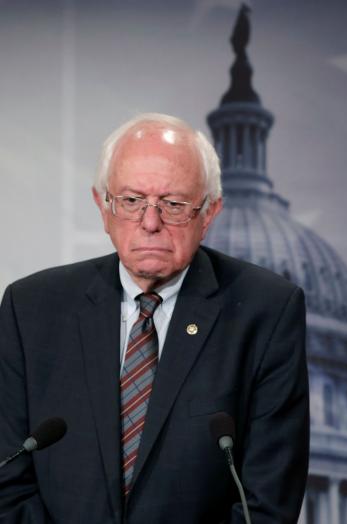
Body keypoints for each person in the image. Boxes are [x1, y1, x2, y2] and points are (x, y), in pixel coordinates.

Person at [0, 113, 309, 523]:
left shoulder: (266, 311)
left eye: (174, 205)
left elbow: (266, 501)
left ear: (209, 212)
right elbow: (9, 483)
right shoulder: (31, 308)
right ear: (102, 205)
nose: (150, 223)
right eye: (131, 201)